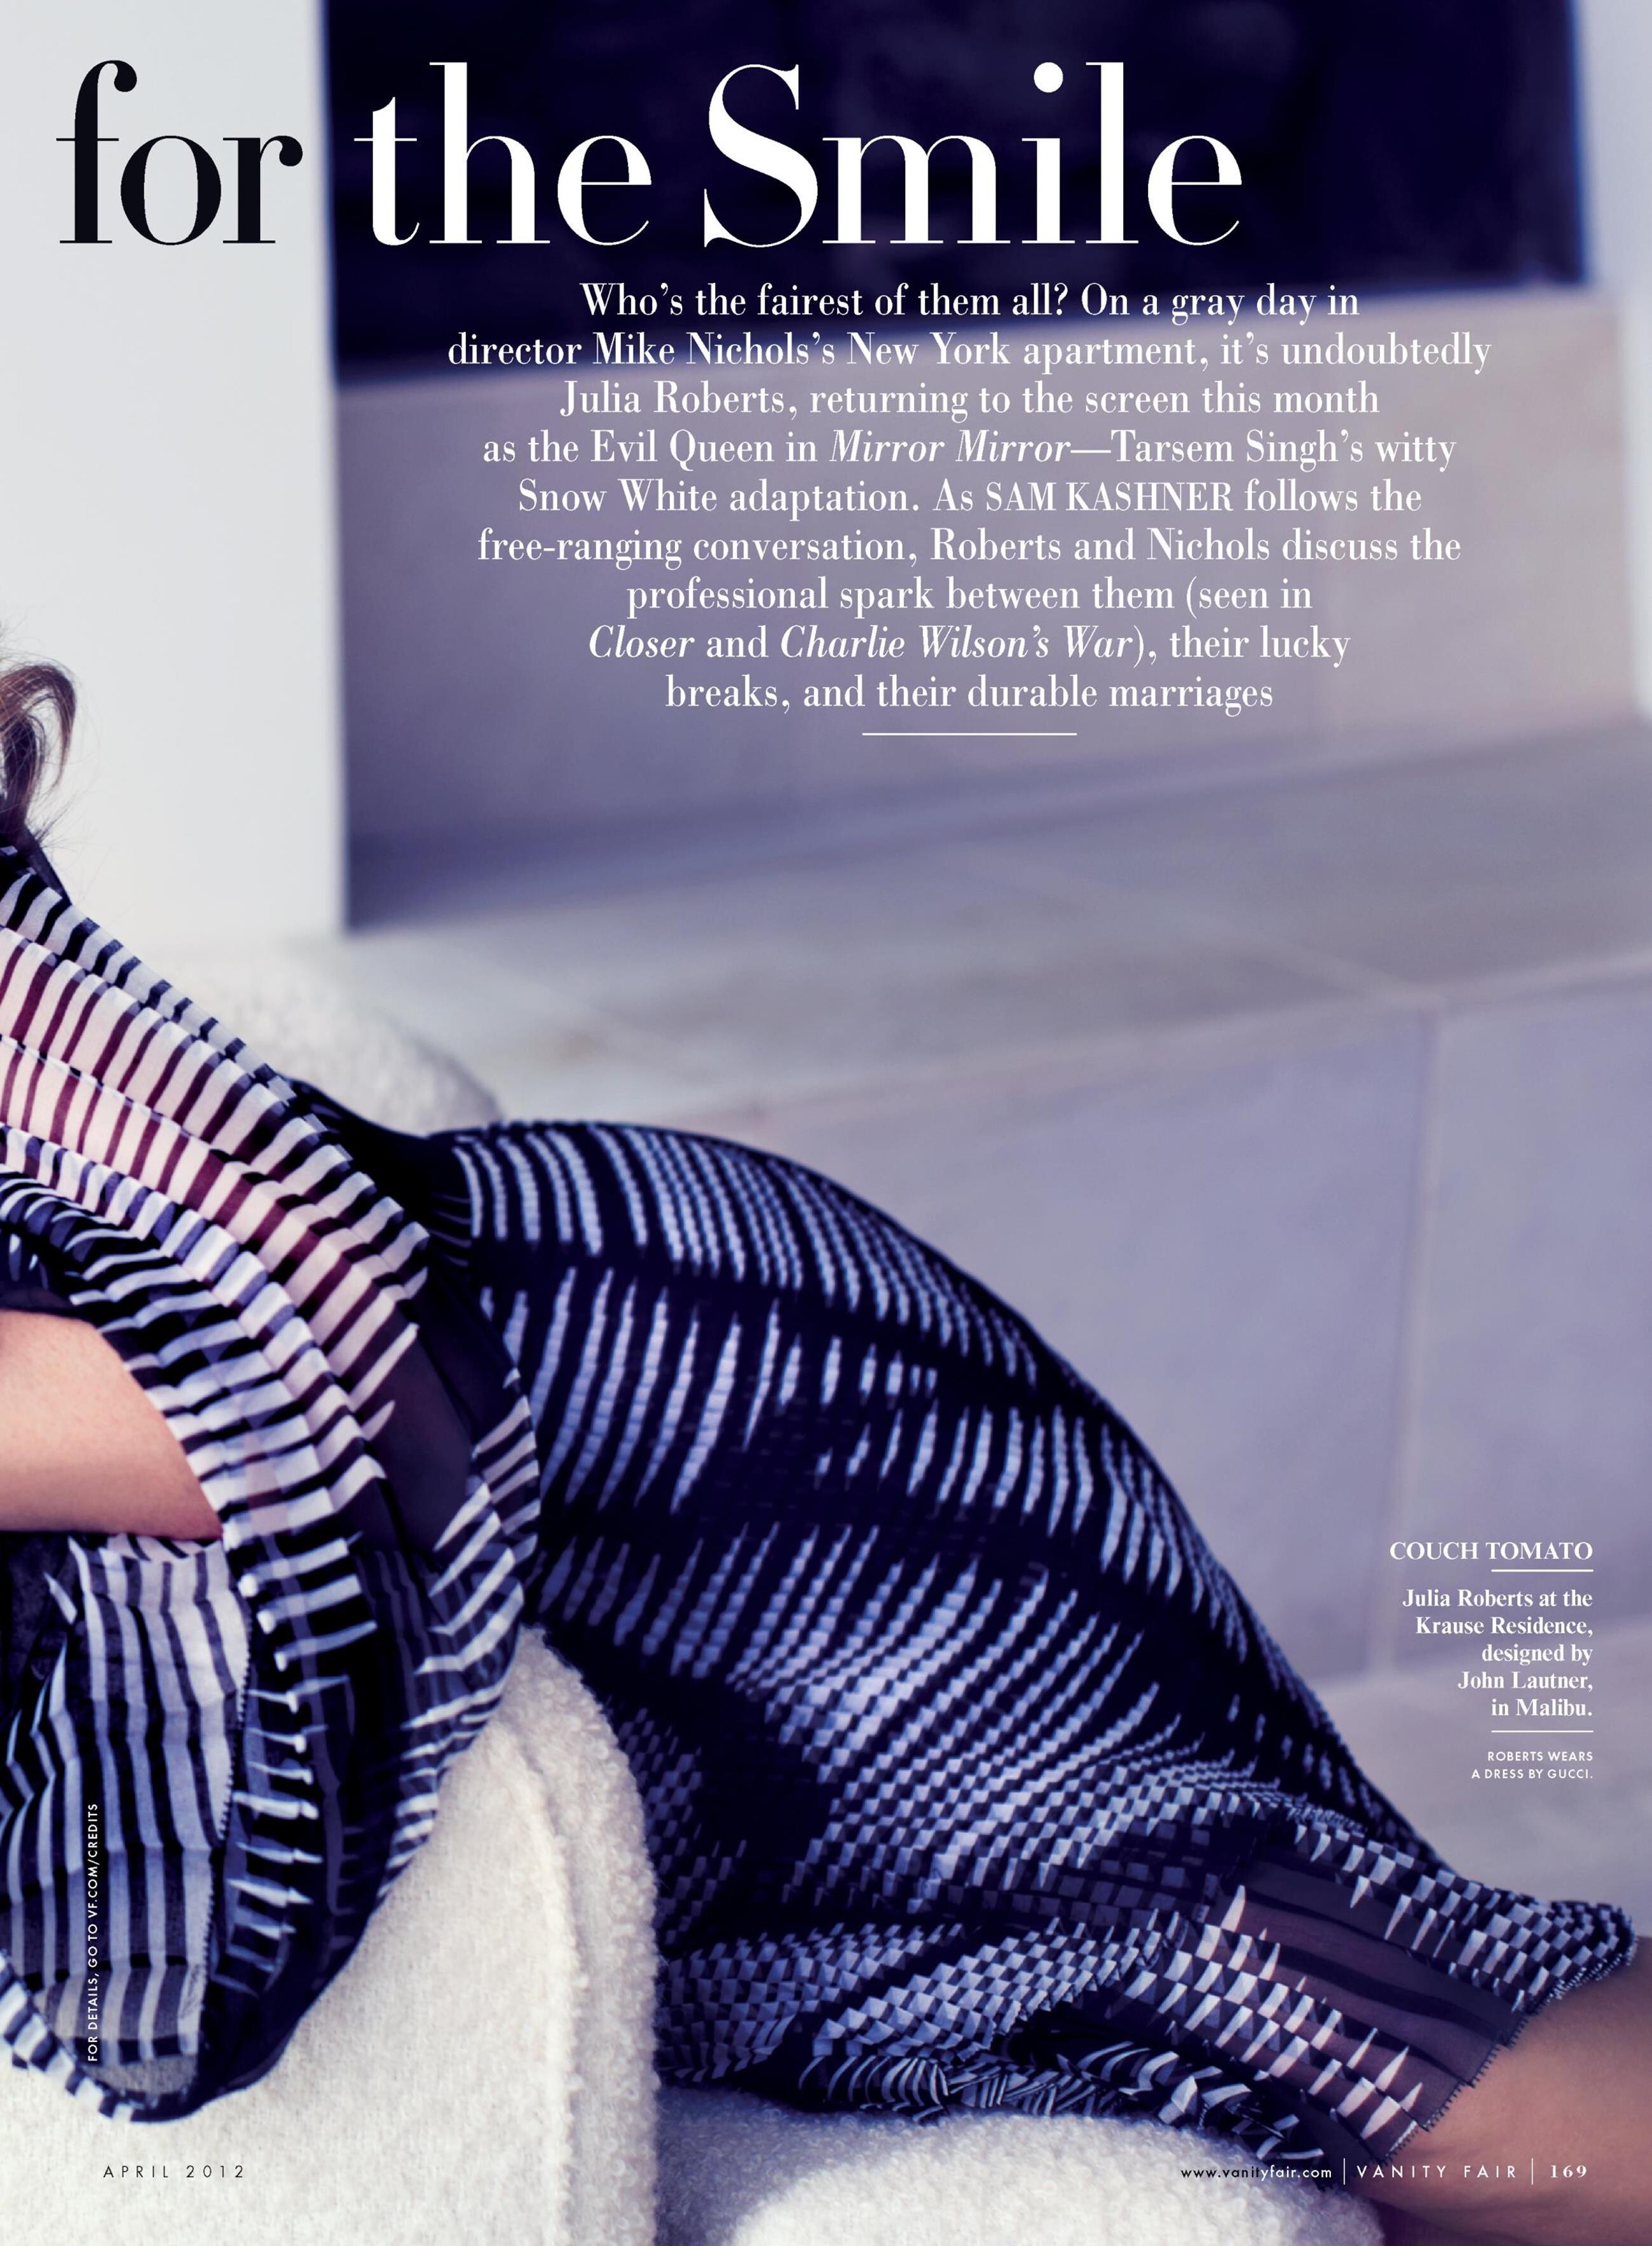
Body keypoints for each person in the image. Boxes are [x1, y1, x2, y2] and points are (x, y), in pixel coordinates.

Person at [0, 658, 1641, 2246]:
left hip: (716, 1446)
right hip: (611, 1566)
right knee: (1278, 2061)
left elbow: (279, 1406)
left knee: (1371, 2041)